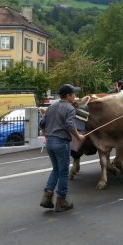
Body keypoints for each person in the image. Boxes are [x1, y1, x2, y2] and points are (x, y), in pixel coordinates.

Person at [39, 84, 85, 212]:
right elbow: (70, 124)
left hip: (50, 143)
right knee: (63, 172)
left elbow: (42, 123)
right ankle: (61, 201)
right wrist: (78, 136)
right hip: (61, 143)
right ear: (68, 96)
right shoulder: (69, 108)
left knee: (56, 170)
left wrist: (44, 132)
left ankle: (47, 197)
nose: (75, 97)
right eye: (73, 94)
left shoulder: (52, 106)